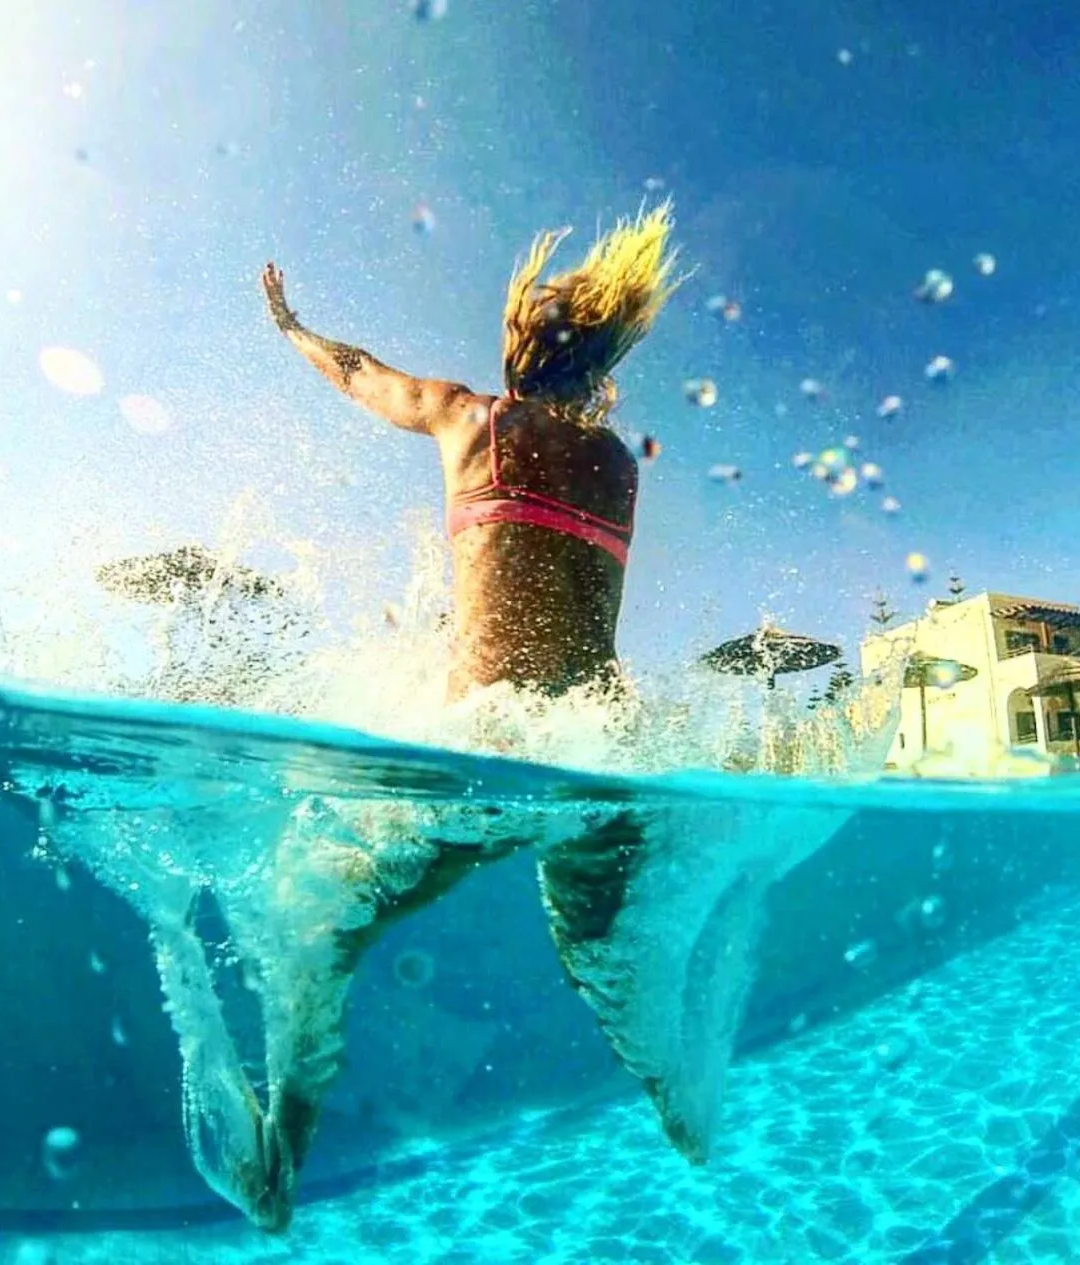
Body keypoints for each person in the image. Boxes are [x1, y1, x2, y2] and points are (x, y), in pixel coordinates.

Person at [191, 205, 689, 1232]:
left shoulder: (472, 419)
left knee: (320, 929)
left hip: (491, 756)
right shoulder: (618, 465)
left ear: (517, 349)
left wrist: (292, 327)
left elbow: (362, 375)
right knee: (600, 960)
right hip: (598, 760)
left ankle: (279, 1167)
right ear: (598, 363)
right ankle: (678, 1106)